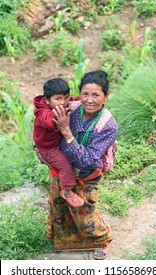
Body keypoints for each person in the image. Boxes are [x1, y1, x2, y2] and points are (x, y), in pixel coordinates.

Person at [48, 70, 118, 259]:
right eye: (85, 94)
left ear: (105, 97)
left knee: (84, 212)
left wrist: (66, 131)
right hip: (61, 169)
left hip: (86, 174)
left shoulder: (108, 125)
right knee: (59, 206)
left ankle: (103, 239)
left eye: (96, 95)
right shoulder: (72, 107)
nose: (89, 100)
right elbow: (44, 123)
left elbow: (87, 159)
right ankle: (67, 242)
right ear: (79, 93)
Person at [33, 78, 84, 208]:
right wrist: (64, 113)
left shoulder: (63, 103)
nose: (63, 102)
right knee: (65, 167)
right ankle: (67, 191)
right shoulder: (43, 113)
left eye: (65, 98)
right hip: (48, 148)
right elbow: (49, 121)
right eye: (58, 99)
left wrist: (84, 98)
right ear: (46, 100)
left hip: (56, 141)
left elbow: (73, 100)